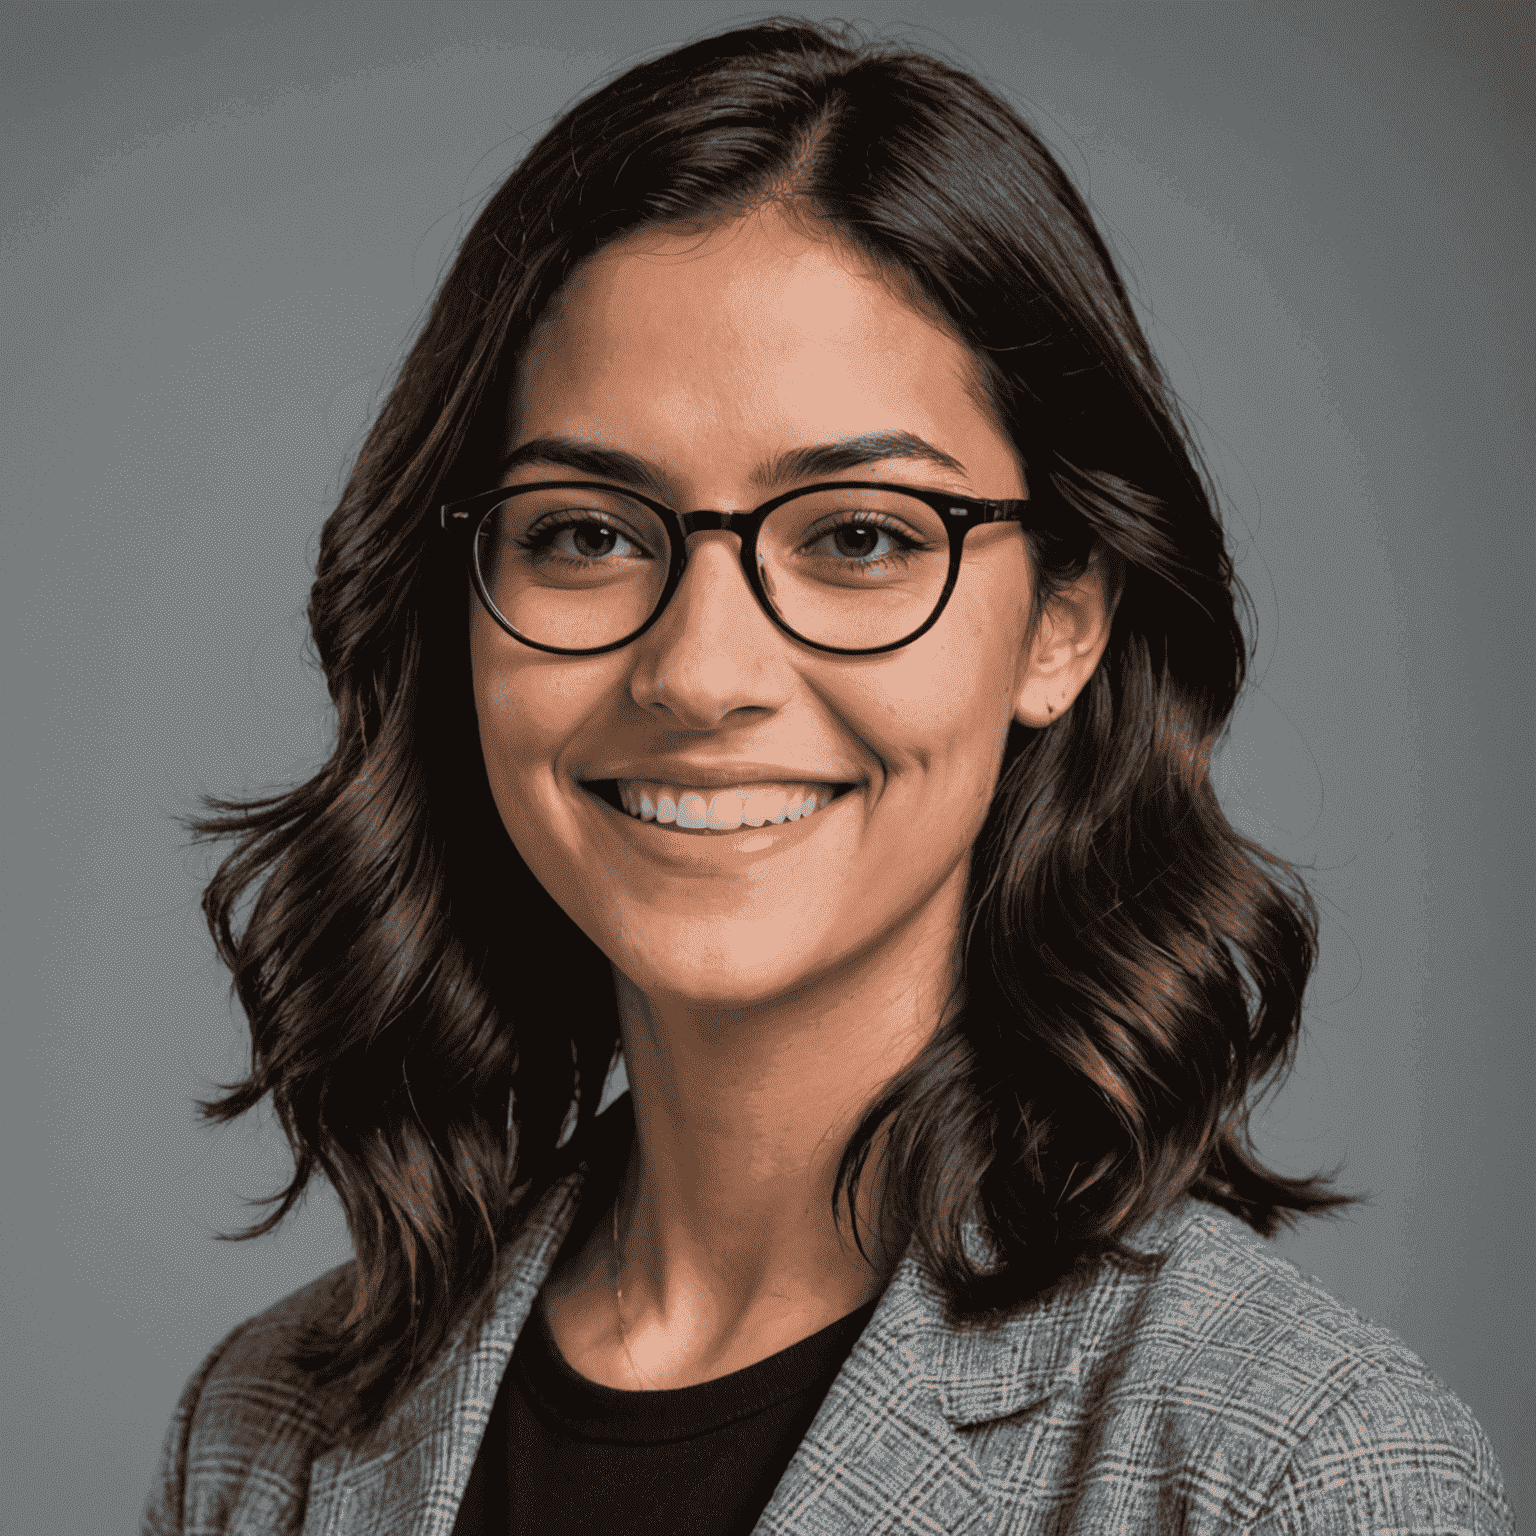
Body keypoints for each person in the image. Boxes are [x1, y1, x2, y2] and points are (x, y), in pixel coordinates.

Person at [142, 20, 1513, 1536]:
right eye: (587, 532)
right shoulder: (265, 1436)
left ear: (1062, 619)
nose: (702, 671)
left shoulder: (1292, 1468)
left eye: (858, 534)